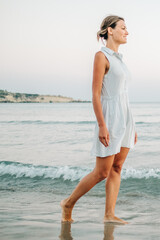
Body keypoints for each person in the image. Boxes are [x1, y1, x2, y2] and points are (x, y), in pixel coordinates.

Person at [60, 15, 138, 224]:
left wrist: (132, 126)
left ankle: (109, 214)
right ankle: (68, 203)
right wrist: (102, 125)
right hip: (110, 118)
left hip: (125, 118)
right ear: (110, 30)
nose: (127, 31)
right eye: (123, 27)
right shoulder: (101, 56)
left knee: (117, 168)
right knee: (102, 171)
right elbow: (95, 94)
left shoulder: (120, 60)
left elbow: (123, 94)